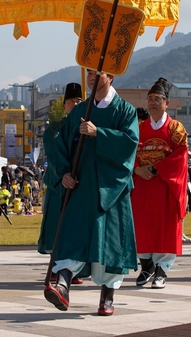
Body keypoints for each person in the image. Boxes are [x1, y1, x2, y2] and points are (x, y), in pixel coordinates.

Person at [45, 69, 138, 316]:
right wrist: (64, 172)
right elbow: (62, 145)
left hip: (111, 187)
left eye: (99, 73)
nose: (92, 77)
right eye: (89, 72)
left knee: (111, 243)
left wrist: (100, 133)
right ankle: (62, 285)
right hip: (81, 184)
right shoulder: (79, 111)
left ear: (112, 77)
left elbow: (130, 143)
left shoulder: (125, 111)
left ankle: (107, 297)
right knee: (74, 233)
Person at [131, 77, 188, 289]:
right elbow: (129, 152)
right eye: (150, 99)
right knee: (142, 225)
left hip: (164, 185)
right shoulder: (138, 127)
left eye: (158, 99)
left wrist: (156, 168)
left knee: (165, 227)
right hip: (142, 185)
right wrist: (137, 168)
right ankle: (146, 265)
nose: (153, 102)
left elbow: (181, 156)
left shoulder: (175, 128)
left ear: (167, 103)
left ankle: (162, 269)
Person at [37, 82, 84, 284]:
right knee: (56, 227)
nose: (74, 104)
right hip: (58, 184)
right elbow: (56, 154)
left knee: (76, 228)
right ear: (64, 105)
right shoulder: (55, 127)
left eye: (79, 101)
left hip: (80, 184)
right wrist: (64, 174)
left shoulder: (85, 127)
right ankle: (56, 267)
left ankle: (73, 269)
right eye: (71, 101)